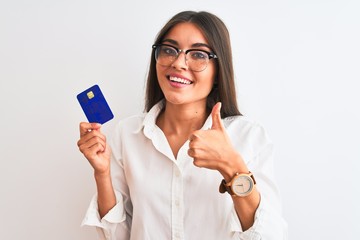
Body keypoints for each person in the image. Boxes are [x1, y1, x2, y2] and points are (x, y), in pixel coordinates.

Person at [77, 10, 287, 240]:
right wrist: (102, 174)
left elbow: (270, 236)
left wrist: (233, 168)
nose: (178, 63)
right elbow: (117, 236)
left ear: (218, 71)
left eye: (198, 54)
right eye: (169, 50)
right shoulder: (127, 134)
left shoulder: (248, 137)